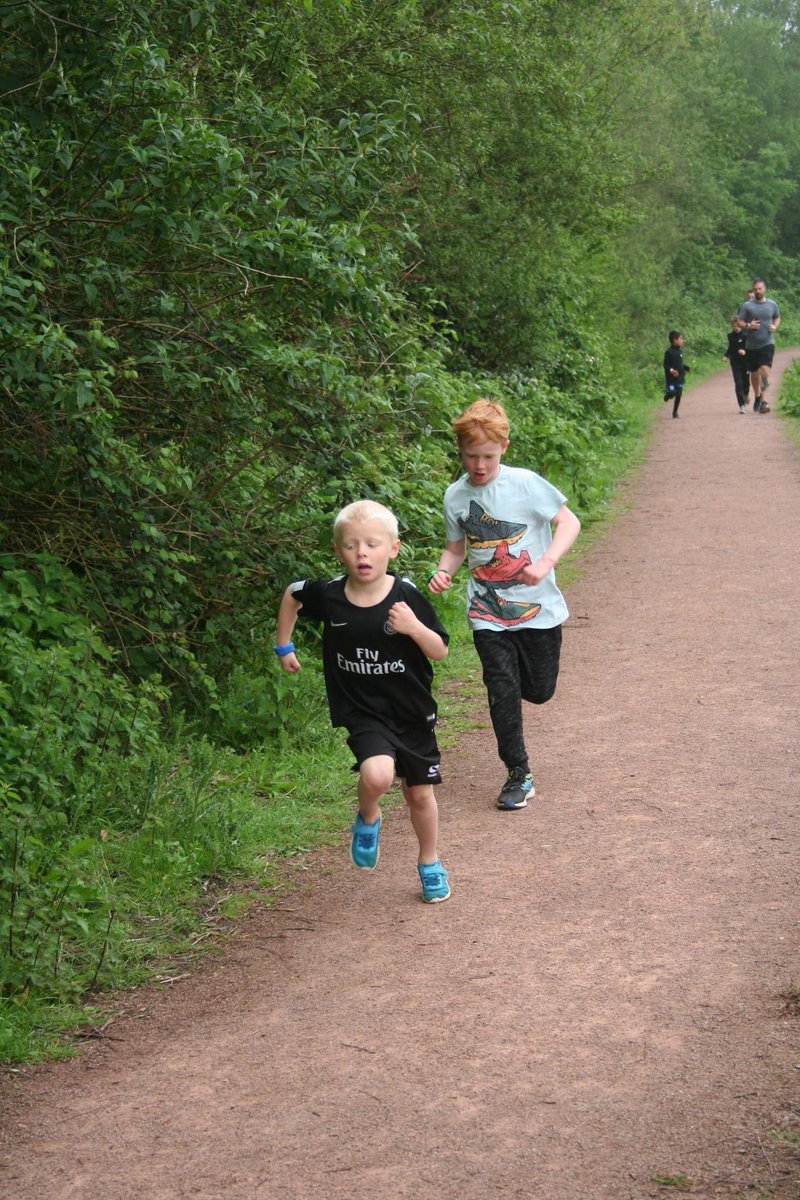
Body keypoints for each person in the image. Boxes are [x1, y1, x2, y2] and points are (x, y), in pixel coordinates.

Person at [275, 500, 451, 903]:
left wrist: (412, 627)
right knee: (377, 776)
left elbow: (439, 650)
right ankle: (369, 816)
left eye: (372, 544)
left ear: (393, 548)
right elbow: (292, 594)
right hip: (363, 711)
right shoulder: (330, 596)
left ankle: (429, 862)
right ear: (339, 552)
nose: (362, 553)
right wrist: (284, 645)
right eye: (351, 546)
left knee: (419, 794)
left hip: (410, 711)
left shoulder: (405, 594)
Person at [428, 399, 580, 811]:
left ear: (504, 448)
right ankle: (518, 772)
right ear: (460, 452)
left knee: (540, 690)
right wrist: (443, 572)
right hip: (487, 612)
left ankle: (521, 740)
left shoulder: (526, 484)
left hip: (539, 609)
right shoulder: (455, 496)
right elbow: (456, 549)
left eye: (488, 456)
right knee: (501, 690)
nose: (479, 465)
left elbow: (569, 522)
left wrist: (545, 563)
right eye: (471, 456)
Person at [738, 278, 780, 413]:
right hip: (751, 345)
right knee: (754, 374)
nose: (757, 291)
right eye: (755, 289)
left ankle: (763, 400)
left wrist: (774, 326)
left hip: (767, 343)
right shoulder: (747, 306)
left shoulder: (772, 304)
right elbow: (739, 322)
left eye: (759, 289)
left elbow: (777, 317)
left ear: (764, 288)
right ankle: (757, 396)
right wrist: (748, 326)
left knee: (765, 371)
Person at [723, 315, 749, 413]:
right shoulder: (730, 336)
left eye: (738, 326)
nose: (736, 328)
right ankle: (741, 406)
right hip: (735, 363)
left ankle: (746, 394)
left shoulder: (746, 335)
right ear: (732, 326)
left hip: (745, 363)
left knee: (746, 385)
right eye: (734, 326)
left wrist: (745, 351)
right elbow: (730, 348)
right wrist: (726, 355)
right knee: (738, 384)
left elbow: (750, 348)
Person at [663, 331, 691, 418]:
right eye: (681, 339)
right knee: (672, 393)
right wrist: (671, 370)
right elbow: (665, 365)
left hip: (679, 377)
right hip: (671, 379)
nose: (682, 340)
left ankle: (675, 412)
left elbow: (679, 364)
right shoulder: (668, 352)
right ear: (675, 340)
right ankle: (668, 395)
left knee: (679, 393)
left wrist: (686, 368)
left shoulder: (680, 351)